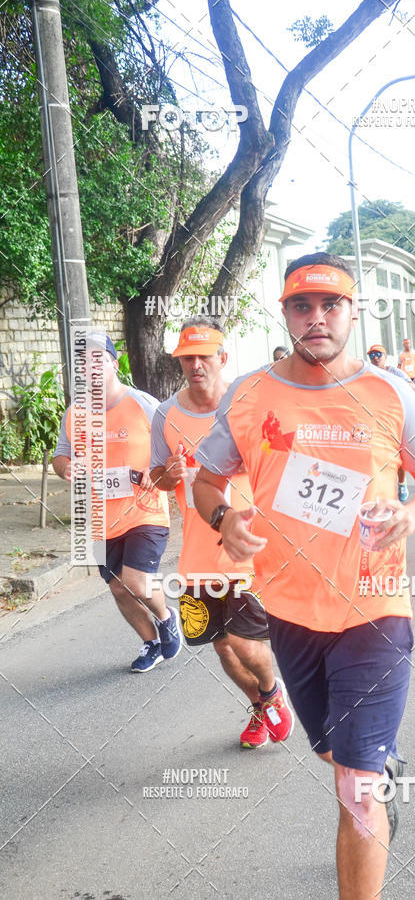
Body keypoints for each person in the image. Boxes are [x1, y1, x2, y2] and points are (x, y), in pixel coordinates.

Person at [193, 252, 415, 900]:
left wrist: (409, 516)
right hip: (289, 612)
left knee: (356, 791)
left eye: (330, 304)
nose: (317, 318)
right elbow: (204, 481)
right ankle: (374, 766)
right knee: (334, 757)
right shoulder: (250, 393)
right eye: (302, 305)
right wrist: (224, 518)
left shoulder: (389, 391)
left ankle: (371, 780)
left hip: (375, 612)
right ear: (285, 314)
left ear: (352, 311)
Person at [150, 319, 293, 748]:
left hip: (248, 549)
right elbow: (156, 479)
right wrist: (167, 474)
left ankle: (272, 694)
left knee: (244, 642)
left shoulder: (248, 403)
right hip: (196, 558)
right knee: (222, 649)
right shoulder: (165, 414)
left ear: (222, 358)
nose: (195, 365)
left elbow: (282, 462)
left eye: (203, 356)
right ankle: (261, 708)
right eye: (187, 358)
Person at [53, 331, 181, 672]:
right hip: (100, 517)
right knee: (120, 590)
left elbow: (171, 448)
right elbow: (60, 457)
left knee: (136, 582)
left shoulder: (143, 404)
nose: (91, 367)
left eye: (98, 359)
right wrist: (67, 468)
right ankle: (150, 642)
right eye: (83, 362)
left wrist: (158, 474)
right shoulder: (75, 413)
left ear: (113, 363)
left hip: (146, 512)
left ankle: (167, 617)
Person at [366, 344, 413, 501]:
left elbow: (412, 387)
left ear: (385, 357)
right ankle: (383, 487)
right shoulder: (367, 373)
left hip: (395, 416)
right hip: (375, 418)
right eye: (372, 355)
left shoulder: (395, 372)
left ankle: (401, 482)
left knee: (398, 452)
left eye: (379, 354)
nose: (376, 358)